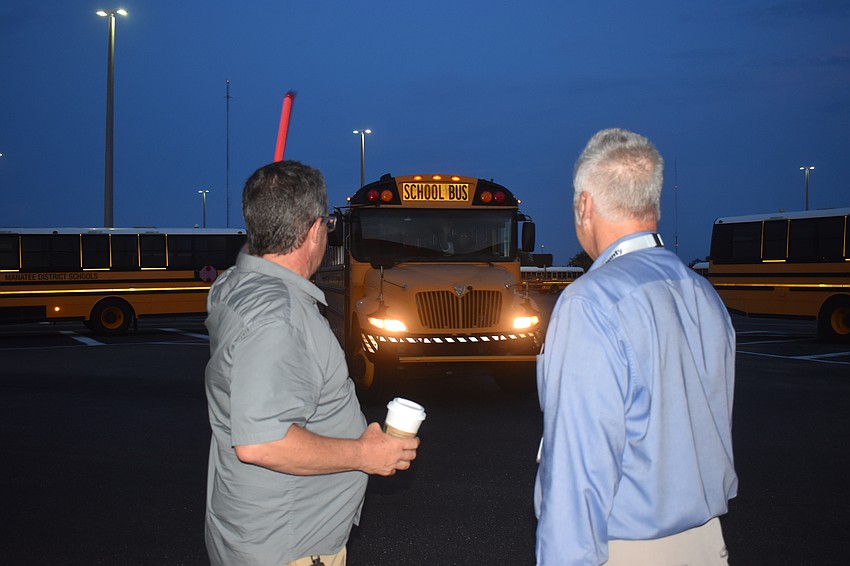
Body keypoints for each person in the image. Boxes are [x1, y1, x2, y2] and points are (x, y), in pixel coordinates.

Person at [534, 129, 737, 565]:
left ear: (585, 205)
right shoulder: (702, 294)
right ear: (653, 205)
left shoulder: (591, 302)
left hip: (627, 549)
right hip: (707, 544)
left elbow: (579, 472)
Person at [204, 160, 419, 566]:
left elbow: (251, 253)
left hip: (256, 530)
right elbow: (261, 443)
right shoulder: (277, 317)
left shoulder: (234, 283)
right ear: (315, 231)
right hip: (289, 547)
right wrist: (364, 456)